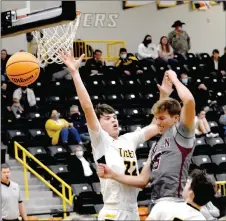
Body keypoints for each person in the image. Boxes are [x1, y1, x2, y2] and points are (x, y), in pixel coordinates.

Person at [60, 51, 160, 220]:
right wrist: (75, 73)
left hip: (133, 211)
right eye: (107, 118)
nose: (114, 121)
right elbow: (87, 107)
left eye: (115, 117)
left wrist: (163, 96)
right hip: (113, 211)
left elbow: (156, 125)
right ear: (99, 124)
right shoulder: (101, 141)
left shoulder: (129, 139)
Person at [97, 70, 196, 211]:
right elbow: (142, 181)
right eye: (156, 118)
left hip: (175, 202)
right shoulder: (155, 146)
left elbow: (189, 101)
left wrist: (174, 79)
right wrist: (113, 175)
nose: (157, 122)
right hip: (155, 204)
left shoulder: (182, 133)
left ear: (175, 118)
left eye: (161, 119)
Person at [146, 169, 215, 220]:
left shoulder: (163, 205)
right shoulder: (200, 219)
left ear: (191, 194)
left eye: (187, 184)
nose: (183, 185)